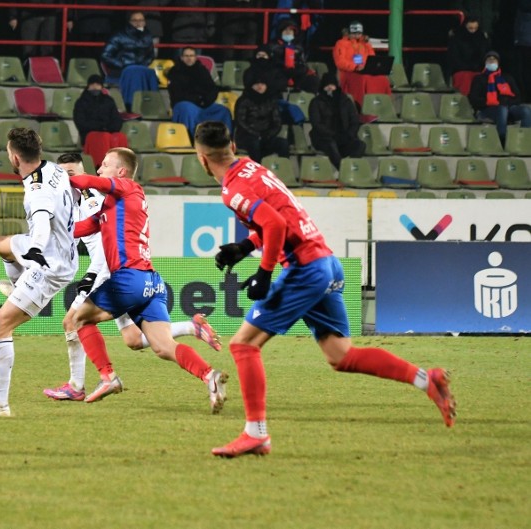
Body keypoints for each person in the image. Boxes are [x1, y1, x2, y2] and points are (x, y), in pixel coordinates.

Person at [192, 120, 456, 457]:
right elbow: (282, 218)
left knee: (243, 345)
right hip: (325, 263)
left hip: (304, 269)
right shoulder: (253, 169)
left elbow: (276, 223)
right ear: (233, 144)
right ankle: (426, 379)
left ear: (201, 158)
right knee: (341, 355)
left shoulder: (232, 189)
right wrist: (245, 247)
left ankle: (256, 433)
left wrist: (264, 271)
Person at [41, 152, 222, 401]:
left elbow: (89, 182)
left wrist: (55, 179)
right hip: (150, 283)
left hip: (130, 278)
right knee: (162, 346)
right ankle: (209, 375)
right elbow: (81, 228)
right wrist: (45, 232)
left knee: (78, 319)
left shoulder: (128, 188)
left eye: (105, 165)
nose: (100, 169)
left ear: (121, 172)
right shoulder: (112, 206)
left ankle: (107, 377)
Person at [0, 128, 79, 417]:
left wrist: (36, 249)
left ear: (14, 156)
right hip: (60, 251)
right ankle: (18, 287)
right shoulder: (52, 169)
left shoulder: (36, 191)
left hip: (49, 264)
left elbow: (40, 220)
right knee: (3, 245)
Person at [167, 46, 233, 136]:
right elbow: (177, 94)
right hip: (184, 103)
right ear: (181, 57)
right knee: (188, 109)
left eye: (191, 56)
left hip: (203, 103)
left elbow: (212, 88)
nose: (189, 58)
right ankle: (192, 139)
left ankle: (224, 139)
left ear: (195, 57)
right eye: (186, 56)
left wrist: (206, 100)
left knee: (223, 110)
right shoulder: (175, 71)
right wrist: (198, 99)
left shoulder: (202, 70)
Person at [468, 51, 531, 143]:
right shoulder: (479, 79)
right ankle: (502, 139)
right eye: (489, 60)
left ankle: (524, 138)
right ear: (485, 63)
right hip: (486, 109)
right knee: (502, 109)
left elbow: (517, 97)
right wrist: (491, 101)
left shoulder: (507, 78)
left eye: (494, 60)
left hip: (508, 108)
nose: (492, 62)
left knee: (526, 110)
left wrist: (505, 102)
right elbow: (474, 99)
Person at [101, 11, 159, 111]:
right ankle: (132, 106)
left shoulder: (147, 35)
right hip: (122, 69)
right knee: (133, 71)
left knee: (150, 73)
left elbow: (151, 55)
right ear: (129, 22)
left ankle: (152, 105)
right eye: (135, 20)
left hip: (140, 68)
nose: (138, 23)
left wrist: (143, 65)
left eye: (141, 20)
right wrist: (122, 64)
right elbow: (105, 55)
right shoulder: (119, 35)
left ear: (145, 22)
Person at [308, 73, 365, 169]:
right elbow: (317, 124)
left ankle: (351, 167)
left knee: (360, 145)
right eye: (327, 85)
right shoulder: (316, 102)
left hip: (345, 137)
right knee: (331, 144)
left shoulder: (345, 101)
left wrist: (349, 134)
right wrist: (333, 135)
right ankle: (343, 170)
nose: (330, 88)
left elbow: (354, 121)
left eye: (332, 85)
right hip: (324, 138)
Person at [332, 20, 391, 107]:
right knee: (363, 78)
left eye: (359, 33)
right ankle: (363, 106)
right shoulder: (341, 43)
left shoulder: (365, 44)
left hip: (364, 71)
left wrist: (370, 67)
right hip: (348, 73)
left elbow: (372, 58)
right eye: (354, 33)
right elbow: (340, 62)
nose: (357, 36)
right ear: (349, 32)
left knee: (382, 79)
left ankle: (382, 106)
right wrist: (355, 67)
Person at [233, 75, 290, 161]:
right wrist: (256, 134)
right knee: (255, 144)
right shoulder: (243, 101)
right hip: (246, 137)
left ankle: (284, 169)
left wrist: (269, 134)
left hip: (266, 136)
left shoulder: (271, 100)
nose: (260, 86)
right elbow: (240, 122)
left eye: (263, 84)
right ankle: (257, 170)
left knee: (283, 143)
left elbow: (277, 121)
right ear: (251, 86)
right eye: (256, 84)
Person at [72, 74, 125, 165]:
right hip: (90, 133)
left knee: (120, 136)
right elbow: (81, 123)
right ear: (88, 86)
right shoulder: (81, 102)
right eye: (92, 85)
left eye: (97, 85)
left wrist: (109, 128)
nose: (95, 87)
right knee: (104, 137)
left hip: (108, 131)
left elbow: (116, 119)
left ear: (101, 86)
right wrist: (100, 127)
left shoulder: (108, 100)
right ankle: (102, 166)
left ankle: (122, 165)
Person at [266, 18, 318, 93]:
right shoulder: (272, 45)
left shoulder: (299, 47)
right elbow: (272, 62)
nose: (288, 32)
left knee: (312, 80)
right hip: (279, 72)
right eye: (285, 30)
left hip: (296, 73)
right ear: (280, 32)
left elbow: (303, 63)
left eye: (290, 30)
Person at [446, 15, 491, 95]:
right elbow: (454, 58)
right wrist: (468, 67)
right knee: (465, 79)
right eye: (470, 28)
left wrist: (478, 66)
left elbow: (485, 55)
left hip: (479, 69)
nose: (473, 31)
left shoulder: (482, 38)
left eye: (475, 28)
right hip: (461, 70)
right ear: (465, 26)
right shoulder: (456, 38)